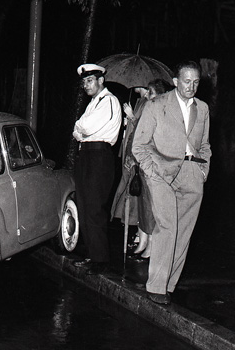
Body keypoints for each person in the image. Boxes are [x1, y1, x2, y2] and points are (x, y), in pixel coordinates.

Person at [131, 61, 211, 305]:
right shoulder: (156, 105)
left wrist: (203, 170)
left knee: (183, 233)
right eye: (186, 81)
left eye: (196, 82)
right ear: (176, 82)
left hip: (192, 173)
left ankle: (168, 285)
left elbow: (205, 145)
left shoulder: (202, 108)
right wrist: (152, 172)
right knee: (167, 227)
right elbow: (139, 145)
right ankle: (156, 286)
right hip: (161, 173)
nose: (191, 87)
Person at [111, 78, 173, 260]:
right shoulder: (150, 108)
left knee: (152, 208)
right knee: (143, 206)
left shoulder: (163, 113)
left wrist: (133, 119)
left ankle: (152, 246)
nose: (147, 96)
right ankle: (144, 242)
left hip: (154, 166)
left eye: (151, 93)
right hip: (143, 164)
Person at [72, 63, 122, 274]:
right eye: (84, 81)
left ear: (101, 80)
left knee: (94, 208)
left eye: (90, 80)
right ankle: (93, 255)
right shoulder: (94, 103)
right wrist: (80, 129)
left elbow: (84, 127)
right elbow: (76, 131)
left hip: (99, 157)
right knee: (84, 207)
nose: (86, 85)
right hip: (87, 155)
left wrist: (81, 128)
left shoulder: (109, 101)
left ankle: (101, 260)